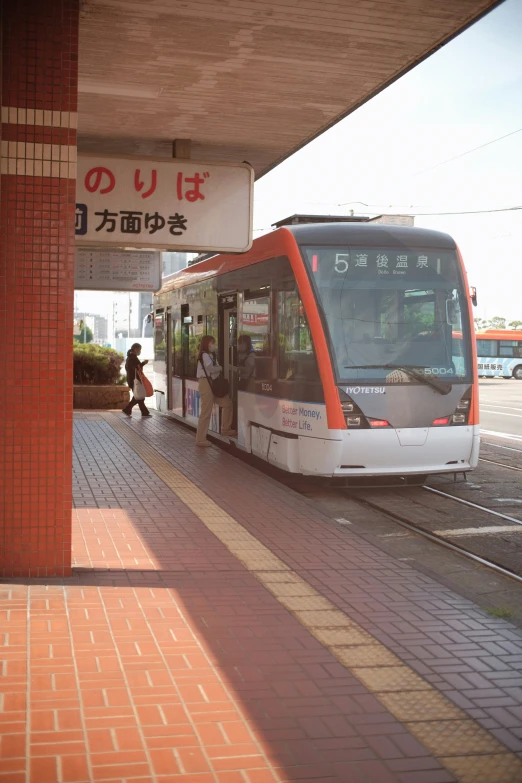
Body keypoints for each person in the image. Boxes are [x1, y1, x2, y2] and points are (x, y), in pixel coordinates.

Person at [196, 335, 236, 446]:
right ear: (206, 343)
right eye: (211, 342)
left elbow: (215, 370)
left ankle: (225, 428)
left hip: (213, 384)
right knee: (206, 412)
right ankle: (200, 439)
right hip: (206, 384)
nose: (213, 345)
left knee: (227, 403)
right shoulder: (204, 355)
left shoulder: (211, 355)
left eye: (214, 342)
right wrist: (220, 368)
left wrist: (217, 369)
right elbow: (212, 369)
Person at [122, 343, 152, 417]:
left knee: (139, 396)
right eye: (139, 349)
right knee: (138, 396)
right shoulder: (132, 357)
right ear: (135, 349)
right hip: (134, 380)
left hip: (132, 380)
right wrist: (143, 363)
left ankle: (144, 412)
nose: (140, 351)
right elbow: (136, 368)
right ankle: (127, 409)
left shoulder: (130, 356)